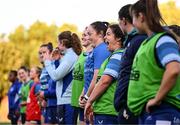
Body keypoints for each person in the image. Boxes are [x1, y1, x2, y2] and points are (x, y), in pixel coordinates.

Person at [128, 0, 180, 124]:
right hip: (149, 113)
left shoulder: (163, 40)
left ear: (141, 17)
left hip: (161, 111)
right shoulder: (148, 41)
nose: (132, 23)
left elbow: (174, 70)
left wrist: (157, 99)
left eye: (133, 18)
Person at [84, 24, 124, 124]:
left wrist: (89, 101)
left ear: (118, 38)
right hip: (103, 111)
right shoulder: (112, 56)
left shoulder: (118, 55)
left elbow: (104, 81)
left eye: (108, 34)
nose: (105, 37)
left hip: (108, 111)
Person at [114, 4, 147, 124]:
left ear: (123, 20)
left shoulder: (139, 40)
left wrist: (128, 103)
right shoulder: (131, 40)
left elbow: (139, 74)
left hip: (132, 105)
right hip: (125, 104)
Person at [43, 31, 82, 124]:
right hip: (63, 100)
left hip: (68, 100)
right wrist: (56, 61)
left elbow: (55, 76)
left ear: (63, 43)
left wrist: (47, 62)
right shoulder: (67, 56)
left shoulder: (70, 56)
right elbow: (59, 76)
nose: (57, 45)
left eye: (58, 42)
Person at [71, 27, 93, 125]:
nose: (82, 37)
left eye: (85, 35)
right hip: (77, 101)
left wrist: (86, 96)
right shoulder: (81, 55)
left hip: (86, 101)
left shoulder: (93, 55)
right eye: (82, 35)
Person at [38, 42, 60, 125]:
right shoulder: (44, 68)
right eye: (40, 53)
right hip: (47, 103)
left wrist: (45, 96)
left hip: (54, 103)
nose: (41, 55)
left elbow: (54, 86)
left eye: (44, 52)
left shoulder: (53, 66)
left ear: (51, 53)